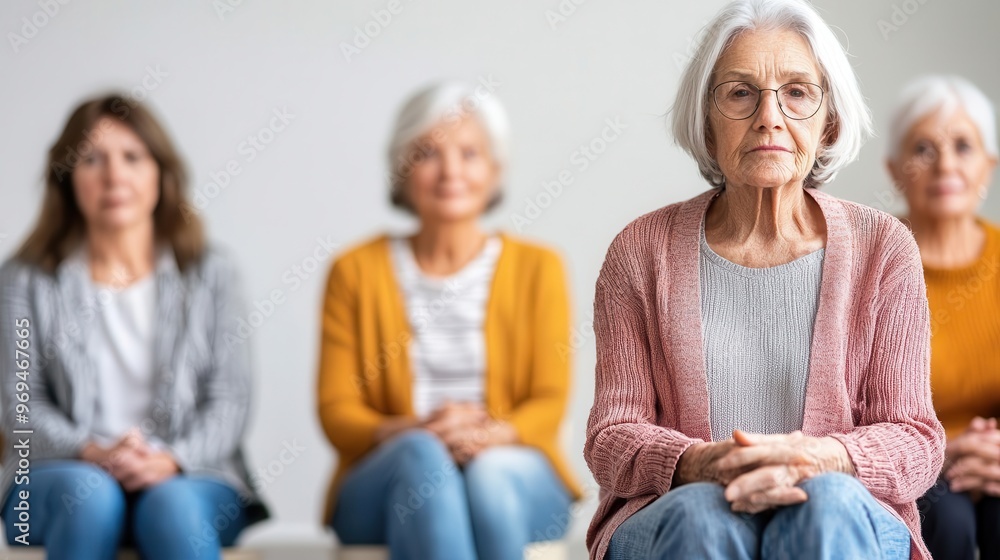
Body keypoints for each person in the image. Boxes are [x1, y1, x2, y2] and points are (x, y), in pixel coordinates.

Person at [583, 1, 945, 559]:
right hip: (674, 513)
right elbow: (610, 435)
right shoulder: (640, 251)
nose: (769, 117)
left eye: (797, 92)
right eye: (740, 92)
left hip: (845, 511)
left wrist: (818, 459)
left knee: (825, 503)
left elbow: (915, 439)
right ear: (706, 120)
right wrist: (699, 465)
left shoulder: (883, 247)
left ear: (829, 121)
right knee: (705, 514)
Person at [317, 81, 582, 560]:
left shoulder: (539, 267)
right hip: (382, 481)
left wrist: (486, 435)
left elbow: (548, 400)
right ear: (401, 167)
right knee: (422, 458)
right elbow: (336, 410)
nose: (451, 172)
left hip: (513, 473)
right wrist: (416, 431)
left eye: (470, 154)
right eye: (427, 153)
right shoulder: (354, 271)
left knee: (489, 473)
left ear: (495, 169)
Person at [0, 94, 268, 560]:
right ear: (66, 178)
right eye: (91, 159)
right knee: (89, 497)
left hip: (194, 473)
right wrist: (92, 453)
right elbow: (20, 406)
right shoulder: (24, 279)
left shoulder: (213, 273)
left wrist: (170, 459)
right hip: (55, 472)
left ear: (161, 174)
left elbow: (230, 401)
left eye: (132, 157)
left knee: (171, 505)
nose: (114, 176)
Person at [885, 75, 1000, 560]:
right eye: (924, 149)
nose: (945, 164)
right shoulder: (874, 262)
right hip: (909, 468)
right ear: (894, 170)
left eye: (963, 146)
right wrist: (940, 450)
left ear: (988, 168)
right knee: (946, 519)